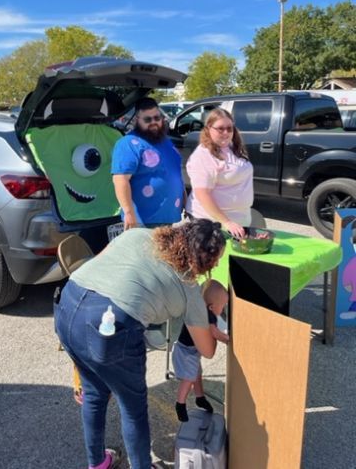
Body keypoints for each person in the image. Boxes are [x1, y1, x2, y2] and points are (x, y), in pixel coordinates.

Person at [54, 219, 226, 469]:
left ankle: (98, 463)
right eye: (215, 260)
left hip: (67, 306)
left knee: (94, 394)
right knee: (133, 409)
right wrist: (212, 319)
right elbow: (207, 350)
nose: (217, 265)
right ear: (204, 262)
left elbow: (98, 263)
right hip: (111, 329)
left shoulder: (138, 235)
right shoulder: (189, 288)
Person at [111, 97, 185, 229]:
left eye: (157, 118)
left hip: (170, 217)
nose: (153, 122)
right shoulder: (128, 143)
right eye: (147, 120)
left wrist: (184, 198)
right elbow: (120, 180)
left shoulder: (167, 142)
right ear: (136, 120)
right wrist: (128, 212)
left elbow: (175, 173)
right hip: (143, 221)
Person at [185, 108, 254, 238]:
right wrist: (226, 222)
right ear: (208, 129)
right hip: (212, 224)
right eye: (220, 129)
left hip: (239, 222)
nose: (226, 132)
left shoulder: (232, 147)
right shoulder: (203, 156)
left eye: (229, 128)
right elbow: (202, 194)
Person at [172, 280, 229, 422]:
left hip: (192, 351)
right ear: (212, 307)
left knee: (196, 374)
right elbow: (215, 333)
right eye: (222, 306)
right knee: (189, 378)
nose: (223, 310)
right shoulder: (208, 315)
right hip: (186, 351)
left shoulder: (201, 309)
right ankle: (180, 404)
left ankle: (200, 397)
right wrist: (229, 340)